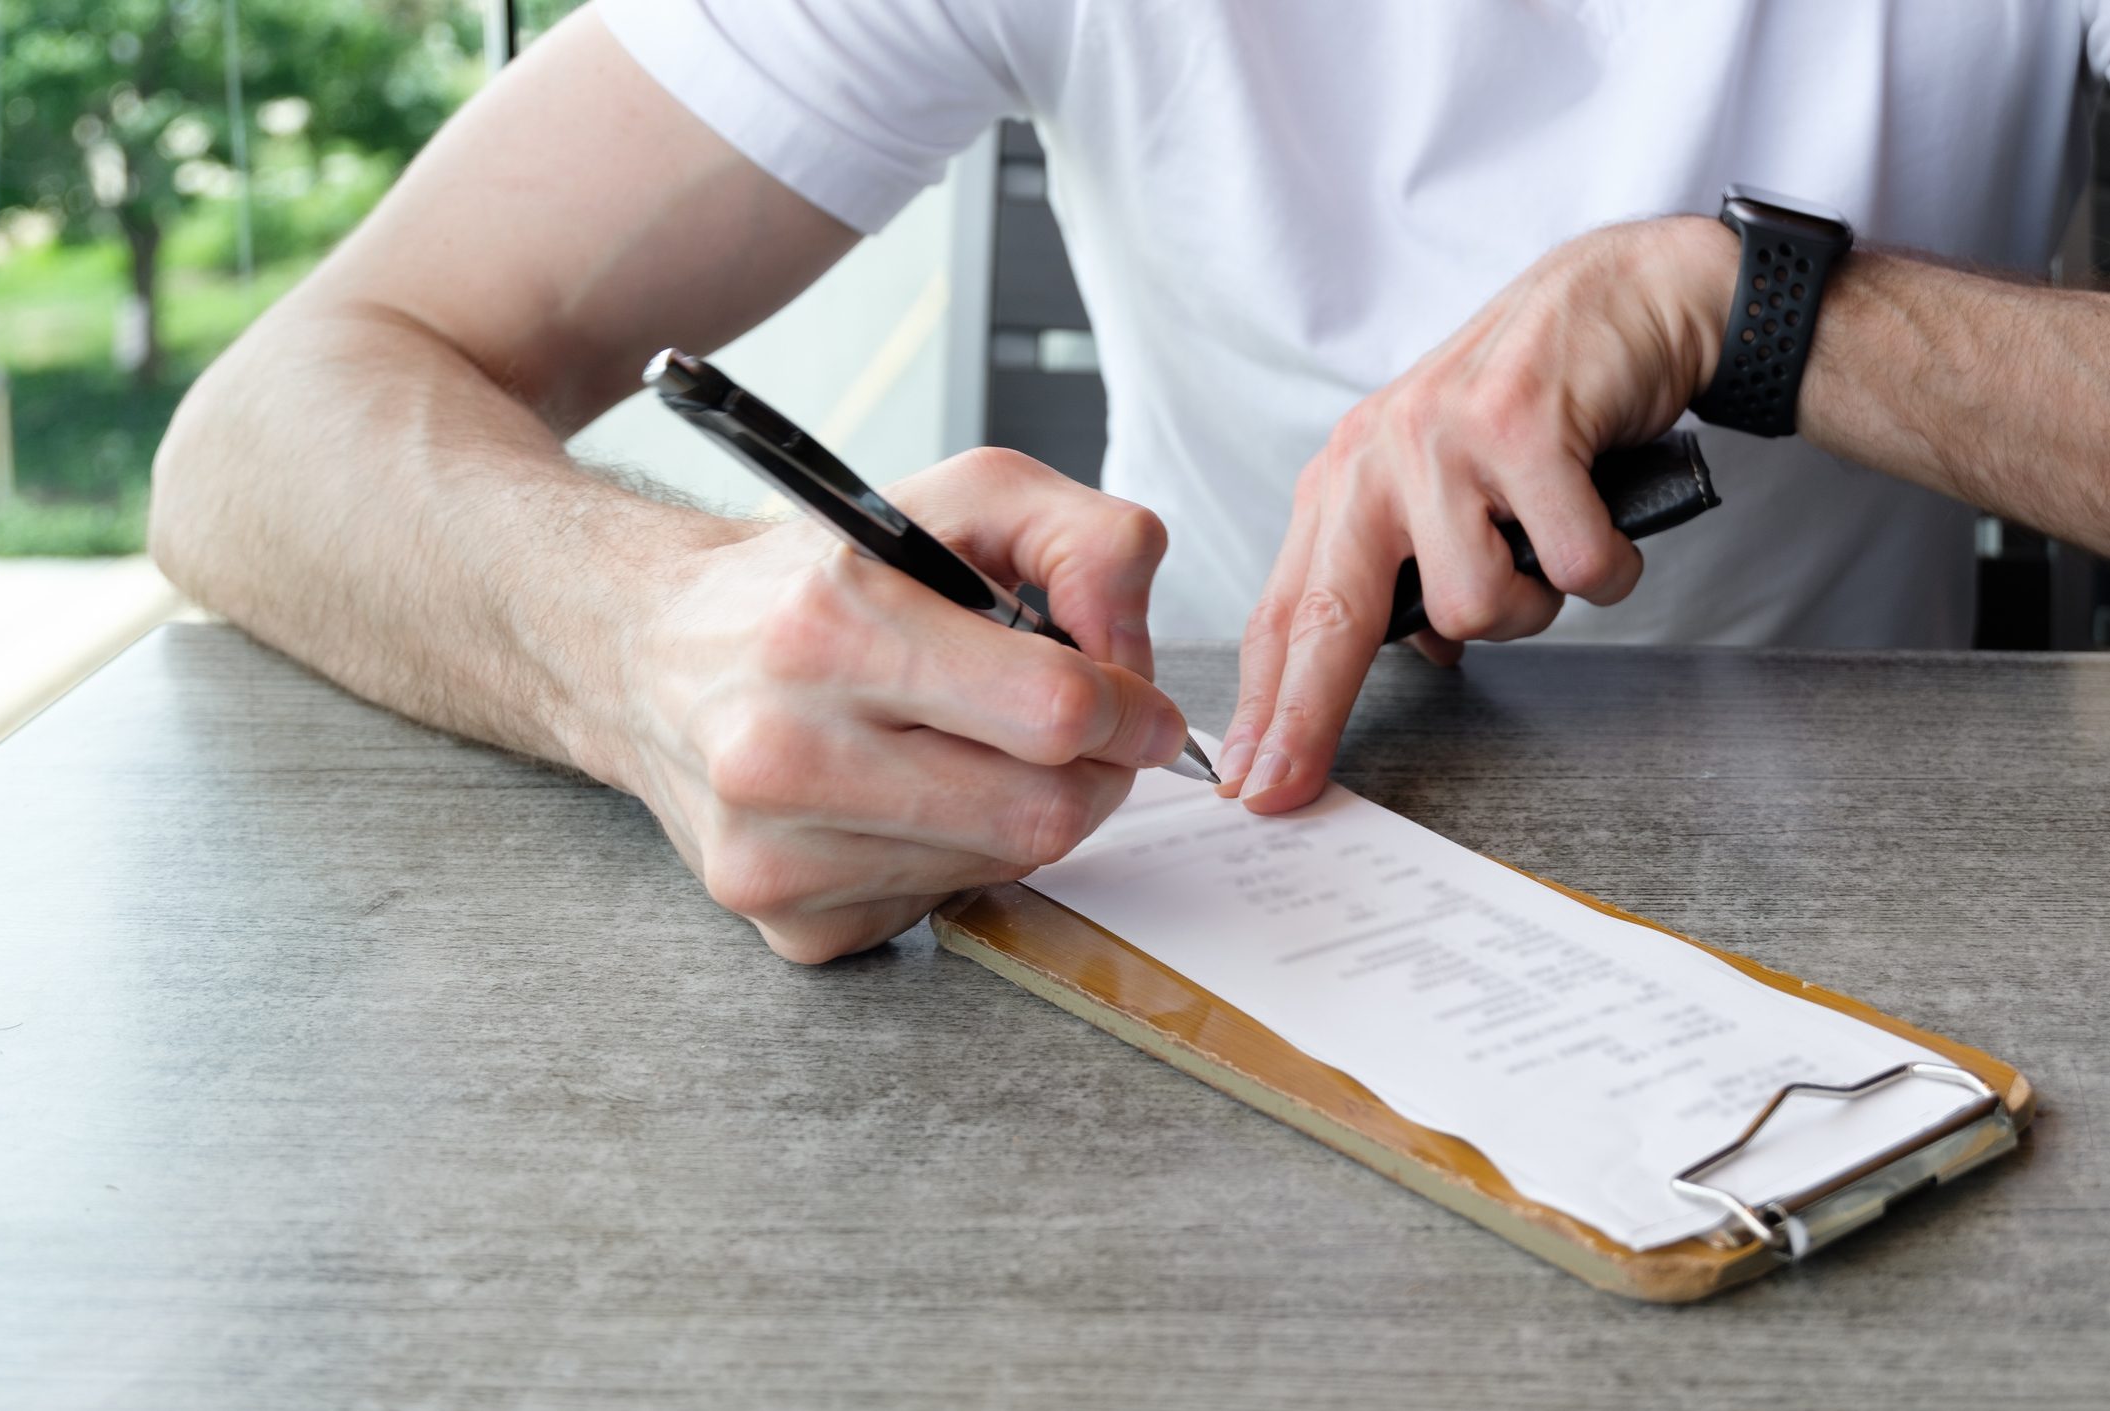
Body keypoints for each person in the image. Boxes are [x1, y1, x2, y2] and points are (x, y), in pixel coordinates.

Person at [151, 1, 2110, 963]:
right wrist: (647, 638)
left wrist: (1768, 310)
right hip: (1194, 873)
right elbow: (266, 430)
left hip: (1869, 919)